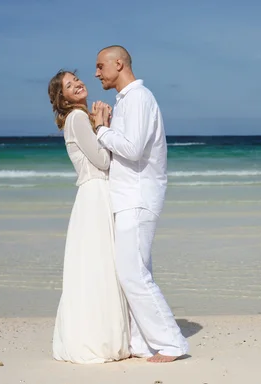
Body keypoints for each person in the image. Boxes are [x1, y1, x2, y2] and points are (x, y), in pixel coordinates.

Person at [91, 45, 189, 362]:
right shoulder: (127, 101)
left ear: (118, 64)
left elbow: (132, 149)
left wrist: (100, 129)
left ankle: (172, 344)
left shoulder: (137, 99)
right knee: (135, 271)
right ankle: (142, 343)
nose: (96, 73)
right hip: (129, 196)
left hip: (138, 196)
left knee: (134, 275)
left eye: (100, 66)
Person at [47, 70, 130, 364]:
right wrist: (102, 125)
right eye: (69, 85)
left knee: (96, 265)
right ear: (63, 98)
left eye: (76, 80)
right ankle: (102, 338)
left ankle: (103, 333)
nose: (77, 84)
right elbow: (103, 160)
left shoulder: (76, 119)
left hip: (92, 195)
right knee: (102, 263)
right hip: (96, 193)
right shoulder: (78, 119)